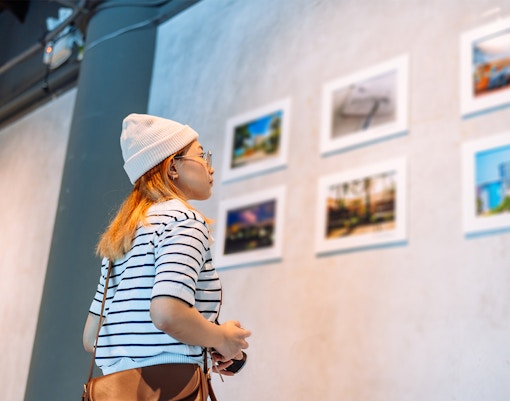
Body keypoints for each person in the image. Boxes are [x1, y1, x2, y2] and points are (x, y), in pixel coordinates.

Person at [83, 113, 250, 399]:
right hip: (172, 387)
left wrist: (205, 339)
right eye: (202, 155)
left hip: (114, 386)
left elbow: (91, 337)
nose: (210, 168)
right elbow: (167, 314)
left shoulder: (123, 233)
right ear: (172, 166)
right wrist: (222, 337)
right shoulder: (184, 221)